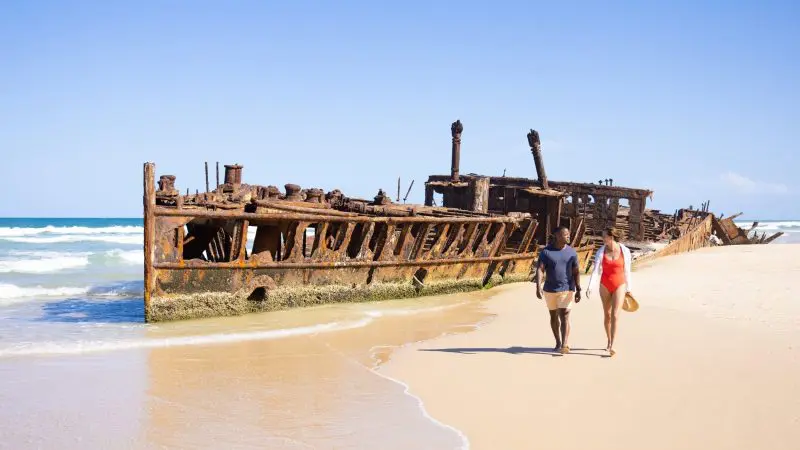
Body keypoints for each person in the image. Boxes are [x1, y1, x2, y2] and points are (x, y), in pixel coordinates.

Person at [535, 226, 581, 353]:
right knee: (554, 316)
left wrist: (578, 289)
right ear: (557, 236)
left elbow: (576, 272)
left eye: (568, 234)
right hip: (550, 289)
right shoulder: (546, 252)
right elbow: (540, 269)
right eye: (565, 235)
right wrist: (538, 286)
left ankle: (565, 344)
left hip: (567, 288)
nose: (568, 236)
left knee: (565, 314)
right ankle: (558, 342)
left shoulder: (572, 252)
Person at [587, 228, 633, 356]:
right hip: (605, 285)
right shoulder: (601, 251)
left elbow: (627, 271)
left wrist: (629, 288)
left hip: (620, 284)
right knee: (607, 315)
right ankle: (608, 340)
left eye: (604, 236)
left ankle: (613, 344)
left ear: (611, 237)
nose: (602, 239)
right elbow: (596, 270)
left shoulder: (625, 251)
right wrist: (590, 287)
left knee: (615, 315)